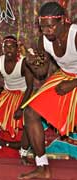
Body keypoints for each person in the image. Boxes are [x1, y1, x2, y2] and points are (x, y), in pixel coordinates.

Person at [18, 2, 77, 179]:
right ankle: (42, 167)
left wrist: (73, 83)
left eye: (51, 26)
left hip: (73, 80)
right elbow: (42, 73)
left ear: (63, 21)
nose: (47, 31)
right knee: (30, 113)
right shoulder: (43, 40)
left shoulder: (75, 35)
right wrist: (33, 63)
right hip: (65, 76)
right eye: (43, 27)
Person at [0, 35, 35, 161]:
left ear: (17, 48)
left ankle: (23, 154)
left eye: (11, 47)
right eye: (6, 47)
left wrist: (21, 108)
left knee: (27, 124)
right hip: (7, 93)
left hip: (23, 95)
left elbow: (30, 87)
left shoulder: (24, 62)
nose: (8, 50)